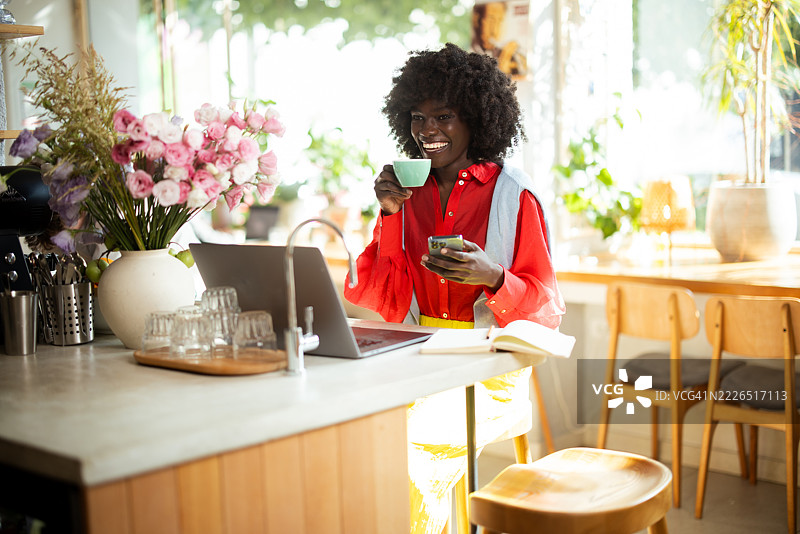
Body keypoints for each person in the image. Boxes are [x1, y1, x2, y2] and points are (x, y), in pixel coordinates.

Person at [344, 43, 565, 534]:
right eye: (418, 118)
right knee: (359, 431)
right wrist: (388, 214)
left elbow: (546, 308)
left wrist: (494, 278)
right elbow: (380, 292)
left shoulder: (514, 193)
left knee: (418, 446)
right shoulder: (406, 191)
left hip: (492, 363)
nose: (427, 131)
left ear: (475, 117)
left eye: (443, 116)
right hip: (421, 356)